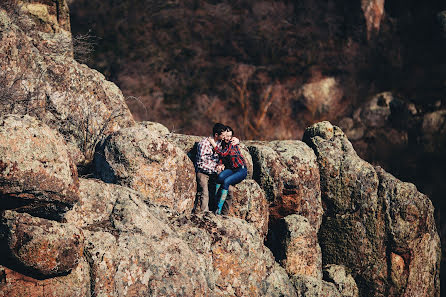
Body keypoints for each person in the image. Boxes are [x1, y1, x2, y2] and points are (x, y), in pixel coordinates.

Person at [209, 126, 247, 215]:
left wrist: (213, 144)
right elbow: (223, 157)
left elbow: (223, 153)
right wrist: (220, 164)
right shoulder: (223, 144)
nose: (228, 138)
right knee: (220, 177)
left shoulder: (231, 143)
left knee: (226, 182)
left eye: (230, 136)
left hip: (241, 170)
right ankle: (215, 203)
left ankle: (218, 209)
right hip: (232, 169)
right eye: (226, 135)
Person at [194, 123, 232, 212]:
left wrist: (220, 165)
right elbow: (201, 164)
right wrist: (215, 169)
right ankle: (205, 214)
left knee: (227, 189)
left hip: (214, 171)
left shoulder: (219, 142)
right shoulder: (203, 144)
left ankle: (223, 213)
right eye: (223, 135)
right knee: (205, 193)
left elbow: (222, 154)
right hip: (203, 172)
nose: (224, 137)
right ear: (216, 135)